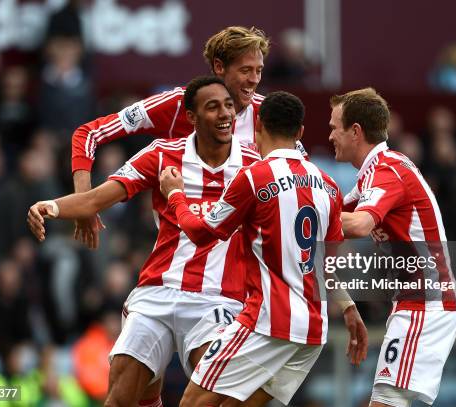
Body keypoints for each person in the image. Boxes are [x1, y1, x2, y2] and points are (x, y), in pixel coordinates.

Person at [28, 76, 262, 407]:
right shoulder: (163, 155)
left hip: (218, 300)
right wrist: (50, 207)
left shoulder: (255, 165)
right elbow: (95, 199)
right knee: (121, 396)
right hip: (157, 294)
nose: (225, 114)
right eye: (213, 107)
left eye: (228, 106)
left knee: (214, 395)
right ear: (191, 117)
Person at [160, 91, 367, 406]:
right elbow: (326, 263)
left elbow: (201, 234)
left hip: (268, 322)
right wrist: (349, 308)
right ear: (299, 132)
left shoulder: (253, 178)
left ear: (257, 125)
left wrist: (175, 196)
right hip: (313, 332)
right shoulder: (329, 185)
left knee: (192, 402)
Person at [70, 26, 306, 249]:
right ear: (219, 67)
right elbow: (88, 132)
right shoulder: (177, 105)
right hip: (182, 247)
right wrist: (83, 202)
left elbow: (303, 174)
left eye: (259, 70)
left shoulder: (268, 114)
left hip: (250, 254)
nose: (255, 79)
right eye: (245, 70)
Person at [328, 88, 456, 407]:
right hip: (413, 303)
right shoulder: (373, 173)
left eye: (334, 127)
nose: (330, 135)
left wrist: (302, 216)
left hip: (426, 304)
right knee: (387, 400)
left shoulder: (387, 172)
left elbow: (357, 225)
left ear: (355, 131)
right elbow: (331, 220)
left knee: (385, 401)